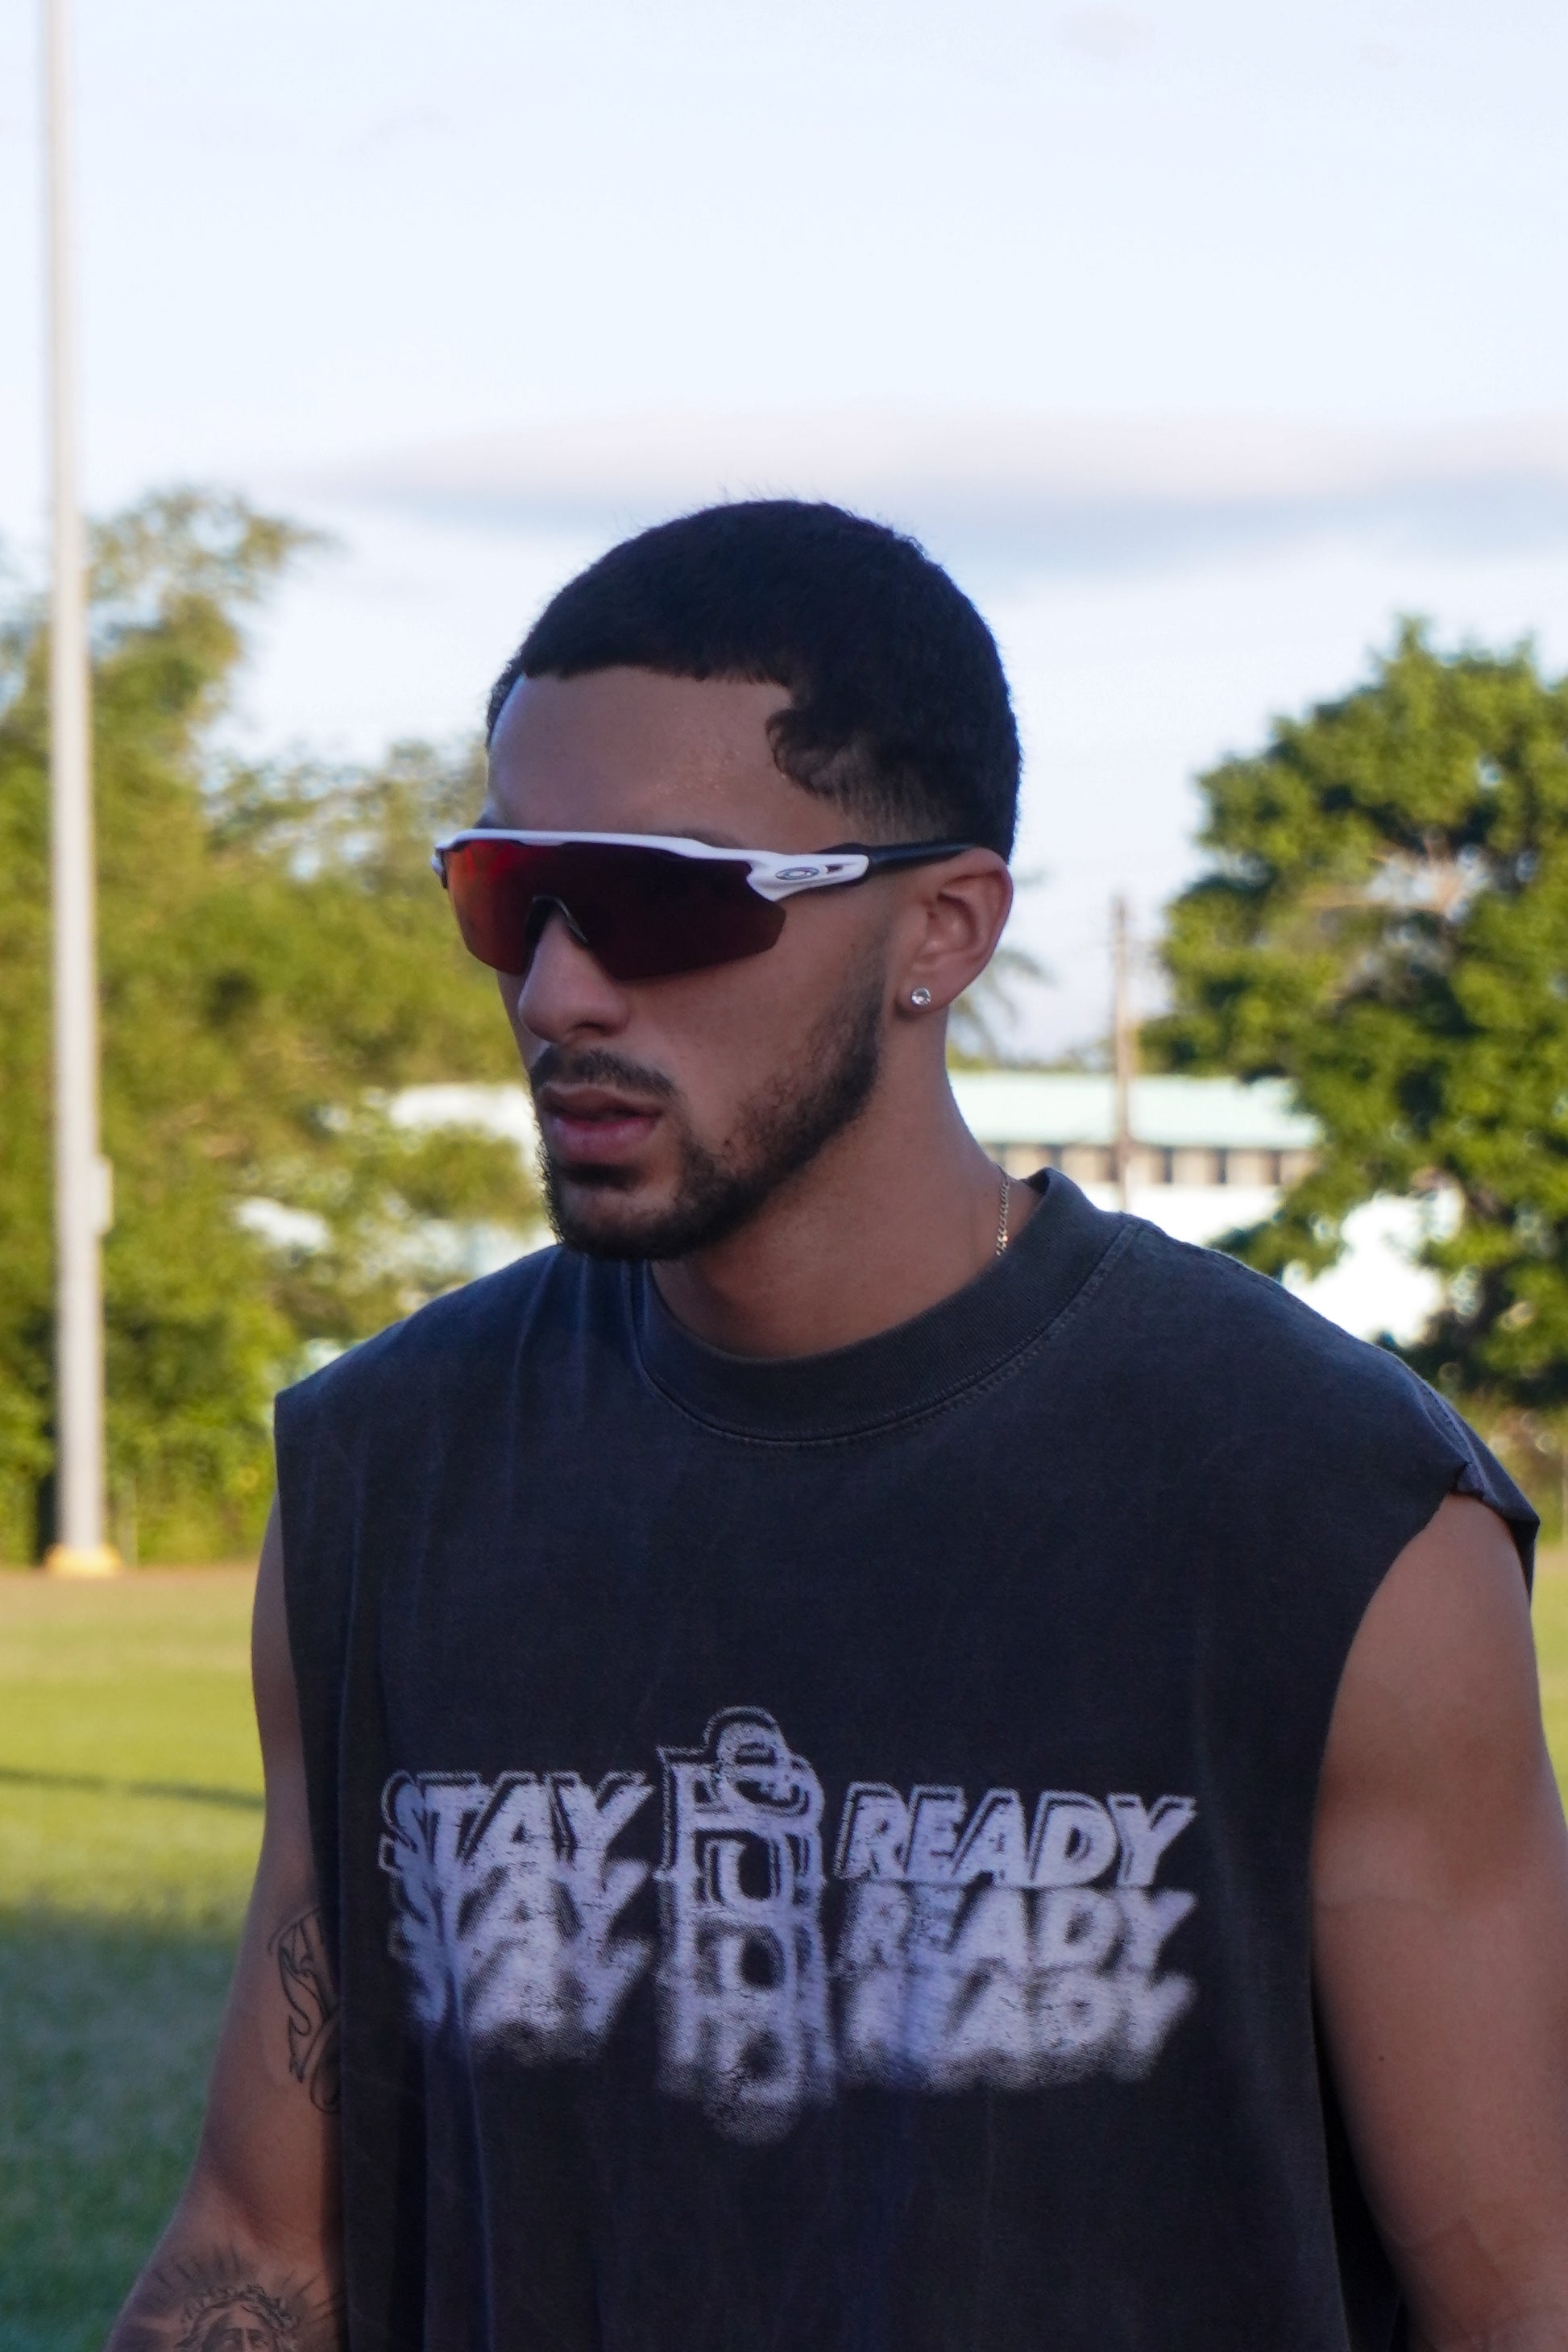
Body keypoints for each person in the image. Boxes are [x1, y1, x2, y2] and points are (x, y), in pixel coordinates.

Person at [109, 501, 1568, 2352]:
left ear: (938, 929)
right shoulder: (388, 1476)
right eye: (508, 892)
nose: (557, 987)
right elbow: (266, 2246)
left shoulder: (1325, 1514)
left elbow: (1522, 2294)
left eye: (660, 897)